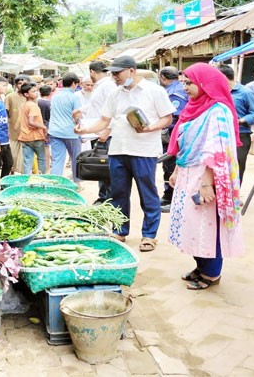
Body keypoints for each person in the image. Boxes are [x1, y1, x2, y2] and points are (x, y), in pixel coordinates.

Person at [75, 55, 175, 252]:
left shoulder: (154, 91)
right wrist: (84, 130)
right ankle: (120, 230)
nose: (114, 77)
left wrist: (149, 128)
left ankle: (149, 235)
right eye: (112, 73)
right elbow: (104, 121)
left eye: (117, 73)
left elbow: (167, 118)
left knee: (148, 193)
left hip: (143, 151)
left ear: (131, 70)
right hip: (118, 150)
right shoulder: (115, 94)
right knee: (118, 193)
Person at [167, 63, 243, 290]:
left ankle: (211, 273)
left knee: (208, 225)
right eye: (184, 83)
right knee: (190, 223)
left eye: (189, 83)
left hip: (207, 176)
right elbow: (183, 143)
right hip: (188, 172)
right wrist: (176, 170)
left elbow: (216, 150)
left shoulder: (218, 110)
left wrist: (208, 184)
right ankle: (200, 265)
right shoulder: (194, 107)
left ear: (205, 83)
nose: (185, 88)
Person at [77, 61, 118, 204]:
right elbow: (98, 105)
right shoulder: (101, 86)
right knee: (100, 166)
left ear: (92, 72)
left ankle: (109, 199)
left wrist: (107, 130)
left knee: (105, 167)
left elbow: (114, 110)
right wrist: (81, 110)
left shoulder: (107, 86)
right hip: (97, 131)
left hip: (105, 133)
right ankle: (104, 196)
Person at [217, 65, 254, 183]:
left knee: (237, 167)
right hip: (221, 135)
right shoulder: (218, 92)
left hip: (240, 135)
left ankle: (234, 196)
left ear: (223, 77)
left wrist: (240, 120)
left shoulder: (246, 92)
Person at [158, 67, 188, 211]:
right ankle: (169, 196)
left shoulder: (174, 93)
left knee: (171, 166)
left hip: (174, 136)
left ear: (163, 77)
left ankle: (171, 198)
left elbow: (175, 116)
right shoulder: (182, 89)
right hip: (176, 135)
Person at [49, 73, 83, 184]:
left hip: (54, 131)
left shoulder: (55, 96)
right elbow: (77, 116)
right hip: (71, 132)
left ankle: (54, 184)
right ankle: (76, 183)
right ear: (74, 83)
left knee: (57, 159)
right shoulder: (74, 97)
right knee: (75, 158)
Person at [18, 82, 49, 175]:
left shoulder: (24, 105)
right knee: (41, 159)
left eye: (37, 91)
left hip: (24, 136)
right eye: (33, 91)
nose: (37, 93)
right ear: (26, 94)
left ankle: (27, 180)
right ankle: (41, 179)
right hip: (36, 136)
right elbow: (31, 122)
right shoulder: (33, 105)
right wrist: (44, 127)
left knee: (28, 161)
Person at [6, 75, 31, 174]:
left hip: (28, 133)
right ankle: (12, 174)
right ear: (16, 85)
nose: (22, 85)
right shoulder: (10, 97)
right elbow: (6, 113)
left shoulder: (31, 97)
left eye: (24, 83)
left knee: (25, 157)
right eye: (19, 83)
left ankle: (23, 176)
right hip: (13, 132)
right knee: (13, 156)